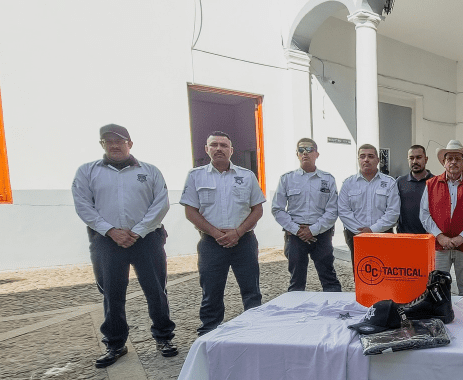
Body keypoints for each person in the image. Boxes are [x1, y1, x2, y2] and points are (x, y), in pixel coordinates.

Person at [71, 123, 177, 367]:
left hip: (147, 238)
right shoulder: (87, 171)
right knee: (112, 293)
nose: (114, 145)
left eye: (119, 141)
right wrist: (111, 231)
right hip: (107, 241)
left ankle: (164, 338)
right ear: (102, 145)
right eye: (108, 141)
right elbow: (83, 206)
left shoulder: (150, 171)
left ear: (130, 143)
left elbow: (161, 204)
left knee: (156, 290)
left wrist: (137, 232)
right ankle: (115, 344)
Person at [180, 131, 266, 335]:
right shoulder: (195, 176)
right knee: (211, 291)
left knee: (251, 291)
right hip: (211, 244)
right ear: (206, 149)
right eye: (214, 145)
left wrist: (237, 232)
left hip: (244, 242)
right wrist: (216, 234)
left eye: (224, 145)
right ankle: (209, 332)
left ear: (231, 150)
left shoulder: (246, 176)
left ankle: (256, 330)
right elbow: (190, 211)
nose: (219, 148)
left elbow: (257, 209)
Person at [272, 137, 341, 292]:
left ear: (317, 154)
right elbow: (277, 209)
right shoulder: (287, 179)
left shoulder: (328, 179)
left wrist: (313, 230)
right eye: (301, 150)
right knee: (296, 281)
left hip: (321, 235)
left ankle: (337, 312)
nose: (305, 153)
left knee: (329, 278)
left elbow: (332, 210)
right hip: (295, 235)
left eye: (309, 150)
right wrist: (297, 230)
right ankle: (295, 313)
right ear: (297, 154)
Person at [420, 140, 463, 295]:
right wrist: (440, 236)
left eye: (458, 159)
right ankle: (439, 314)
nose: (453, 162)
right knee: (437, 285)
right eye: (450, 159)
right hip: (439, 246)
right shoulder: (431, 185)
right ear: (444, 162)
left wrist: (462, 237)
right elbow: (424, 214)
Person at [337, 143, 400, 261]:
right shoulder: (348, 184)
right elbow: (343, 211)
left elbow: (393, 212)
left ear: (378, 160)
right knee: (361, 272)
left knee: (385, 272)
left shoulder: (390, 183)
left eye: (370, 156)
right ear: (358, 159)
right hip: (355, 235)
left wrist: (372, 230)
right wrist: (360, 232)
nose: (366, 159)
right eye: (362, 156)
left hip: (383, 235)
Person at [395, 144, 433, 234]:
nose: (415, 161)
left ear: (426, 159)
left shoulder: (436, 182)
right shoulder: (400, 182)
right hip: (404, 237)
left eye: (419, 157)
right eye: (411, 158)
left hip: (429, 237)